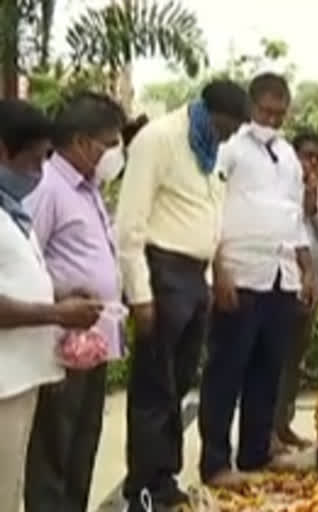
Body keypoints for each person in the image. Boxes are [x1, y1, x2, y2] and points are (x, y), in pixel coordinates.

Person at [116, 79, 249, 511]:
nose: (230, 136)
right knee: (154, 387)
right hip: (162, 271)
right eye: (228, 126)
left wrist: (210, 280)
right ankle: (142, 490)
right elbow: (130, 226)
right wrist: (140, 295)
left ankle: (165, 478)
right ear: (209, 112)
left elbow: (206, 218)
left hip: (195, 277)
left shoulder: (207, 151)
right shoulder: (160, 140)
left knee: (178, 386)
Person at [198, 72, 315, 488]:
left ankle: (254, 454)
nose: (273, 120)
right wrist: (219, 268)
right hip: (239, 273)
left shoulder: (287, 155)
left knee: (268, 371)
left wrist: (307, 266)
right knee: (226, 371)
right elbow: (209, 206)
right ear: (251, 106)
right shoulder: (228, 148)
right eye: (266, 111)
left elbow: (294, 214)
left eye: (281, 114)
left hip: (281, 276)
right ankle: (214, 463)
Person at [23, 93, 126, 512]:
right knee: (54, 453)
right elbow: (24, 262)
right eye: (109, 144)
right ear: (82, 142)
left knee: (82, 448)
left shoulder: (89, 190)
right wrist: (60, 299)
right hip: (59, 345)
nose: (114, 154)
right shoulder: (47, 187)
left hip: (92, 344)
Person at [0, 99, 103, 512]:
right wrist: (56, 314)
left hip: (22, 378)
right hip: (4, 384)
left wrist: (57, 295)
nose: (40, 173)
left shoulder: (11, 212)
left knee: (10, 491)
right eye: (33, 160)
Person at [272, 132, 318, 452]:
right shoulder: (277, 191)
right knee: (271, 361)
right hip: (279, 288)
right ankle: (266, 432)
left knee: (294, 362)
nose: (313, 163)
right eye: (308, 155)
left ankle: (283, 425)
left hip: (310, 294)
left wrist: (314, 211)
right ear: (293, 156)